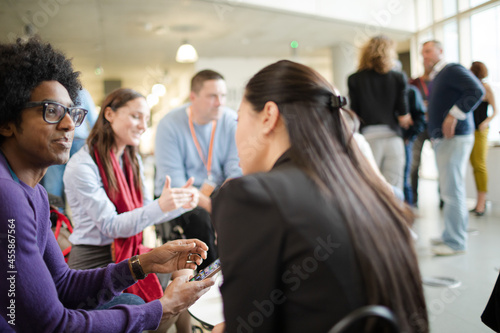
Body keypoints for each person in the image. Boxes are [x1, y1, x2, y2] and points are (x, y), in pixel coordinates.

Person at [0, 37, 214, 332]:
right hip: (92, 257)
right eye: (51, 111)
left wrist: (145, 262)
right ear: (6, 121)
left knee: (142, 301)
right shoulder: (9, 193)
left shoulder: (34, 192)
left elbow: (62, 283)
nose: (68, 125)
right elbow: (50, 324)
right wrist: (162, 308)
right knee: (142, 308)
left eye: (72, 113)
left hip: (111, 256)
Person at [211, 60, 428, 333]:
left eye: (239, 119)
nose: (236, 135)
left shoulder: (251, 197)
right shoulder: (369, 190)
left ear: (268, 116)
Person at [64, 88, 200, 332]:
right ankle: (157, 318)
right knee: (146, 302)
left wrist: (180, 203)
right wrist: (162, 205)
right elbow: (112, 226)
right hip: (94, 262)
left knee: (184, 269)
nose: (143, 126)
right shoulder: (82, 166)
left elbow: (146, 213)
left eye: (146, 119)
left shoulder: (130, 159)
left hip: (127, 253)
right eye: (136, 116)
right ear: (109, 114)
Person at [154, 69, 241, 270]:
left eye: (223, 96)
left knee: (242, 204)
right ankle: (209, 279)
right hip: (181, 197)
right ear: (193, 97)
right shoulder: (170, 124)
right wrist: (215, 209)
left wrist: (228, 203)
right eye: (212, 96)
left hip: (216, 193)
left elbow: (236, 171)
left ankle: (237, 270)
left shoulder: (229, 120)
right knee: (200, 219)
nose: (220, 102)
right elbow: (177, 185)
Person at [423, 40, 485, 256]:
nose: (425, 56)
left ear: (441, 50)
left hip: (455, 137)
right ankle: (450, 235)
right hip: (444, 140)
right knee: (449, 190)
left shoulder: (452, 69)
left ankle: (456, 242)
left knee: (453, 190)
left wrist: (453, 114)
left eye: (429, 51)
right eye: (422, 52)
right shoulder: (438, 76)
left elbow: (477, 90)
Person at [348, 35, 412, 191]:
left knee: (369, 187)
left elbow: (354, 114)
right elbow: (403, 115)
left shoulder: (354, 79)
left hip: (368, 139)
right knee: (394, 188)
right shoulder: (398, 77)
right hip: (393, 139)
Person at [41, 88, 98, 206]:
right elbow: (94, 122)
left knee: (54, 182)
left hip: (60, 139)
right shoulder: (82, 93)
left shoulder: (54, 91)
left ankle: (55, 217)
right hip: (78, 141)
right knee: (81, 181)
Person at [469, 61, 497, 216]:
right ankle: (479, 201)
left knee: (479, 165)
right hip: (469, 130)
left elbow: (495, 111)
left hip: (481, 130)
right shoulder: (470, 88)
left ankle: (482, 202)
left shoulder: (486, 88)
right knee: (473, 164)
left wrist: (485, 123)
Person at [409, 56, 432, 207]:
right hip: (419, 126)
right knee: (414, 163)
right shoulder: (414, 83)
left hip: (436, 125)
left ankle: (443, 198)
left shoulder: (441, 82)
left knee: (442, 163)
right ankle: (413, 198)